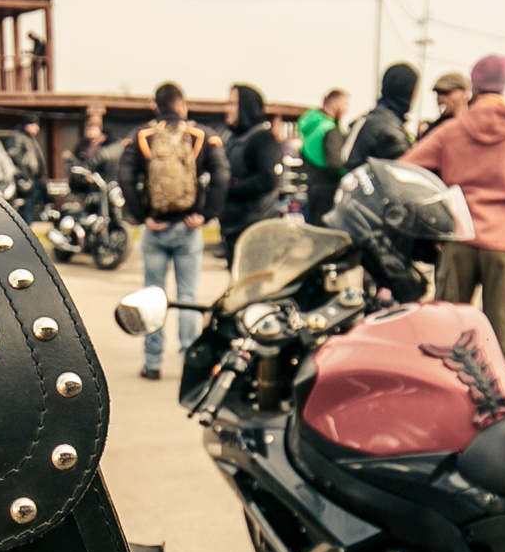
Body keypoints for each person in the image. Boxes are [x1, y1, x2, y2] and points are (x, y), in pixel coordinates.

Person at [401, 54, 505, 378]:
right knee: (502, 335)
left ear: (474, 86)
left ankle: (444, 393)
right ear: (503, 84)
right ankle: (503, 401)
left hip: (458, 238)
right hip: (504, 241)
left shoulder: (453, 129)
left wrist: (435, 218)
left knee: (446, 332)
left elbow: (406, 169)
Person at [118, 83, 225, 379]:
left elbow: (124, 176)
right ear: (181, 104)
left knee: (152, 296)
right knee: (187, 295)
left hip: (155, 228)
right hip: (188, 228)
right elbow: (221, 174)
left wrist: (142, 216)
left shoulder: (142, 136)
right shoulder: (200, 135)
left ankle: (152, 364)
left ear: (157, 106)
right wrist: (205, 215)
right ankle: (189, 362)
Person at [322, 64, 420, 227]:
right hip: (373, 215)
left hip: (353, 205)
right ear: (408, 91)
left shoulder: (367, 119)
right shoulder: (388, 128)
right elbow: (405, 174)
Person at [219, 84, 286, 263]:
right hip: (233, 228)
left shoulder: (262, 138)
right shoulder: (231, 140)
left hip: (255, 229)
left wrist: (229, 189)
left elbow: (267, 179)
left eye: (232, 104)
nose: (227, 109)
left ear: (246, 106)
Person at [297, 88, 348, 220]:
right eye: (345, 104)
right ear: (334, 104)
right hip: (328, 191)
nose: (347, 110)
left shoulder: (312, 127)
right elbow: (335, 163)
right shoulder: (329, 129)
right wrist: (349, 173)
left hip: (312, 187)